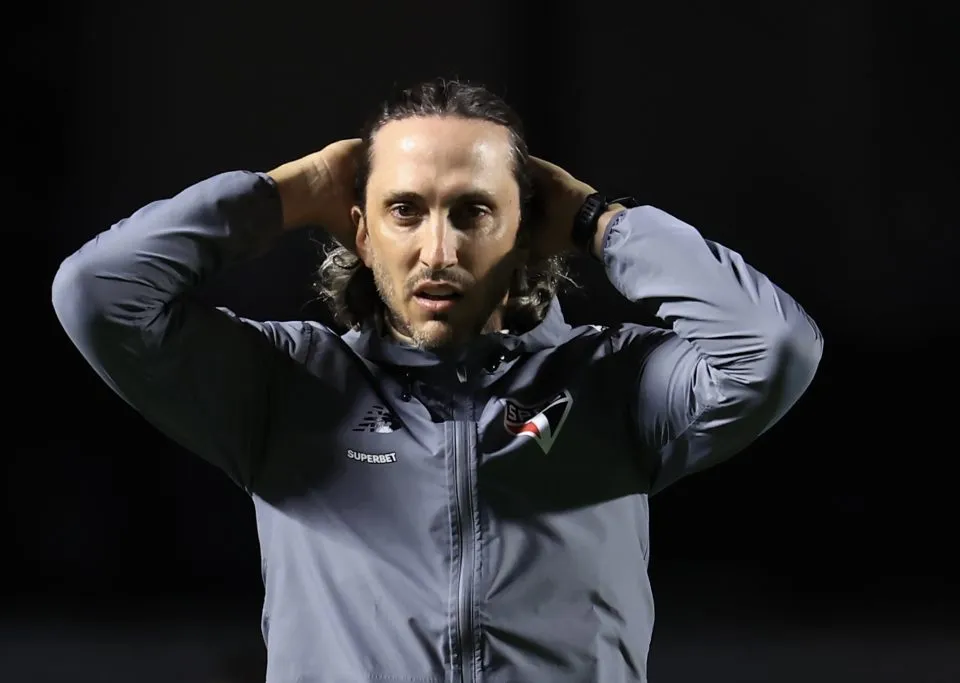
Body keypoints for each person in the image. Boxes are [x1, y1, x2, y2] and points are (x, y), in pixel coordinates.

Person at [52, 79, 823, 682]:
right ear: (360, 229)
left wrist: (600, 220)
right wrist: (287, 191)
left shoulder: (611, 383)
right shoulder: (287, 387)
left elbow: (776, 346)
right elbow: (97, 292)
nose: (439, 249)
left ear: (524, 230)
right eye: (405, 210)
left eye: (474, 211)